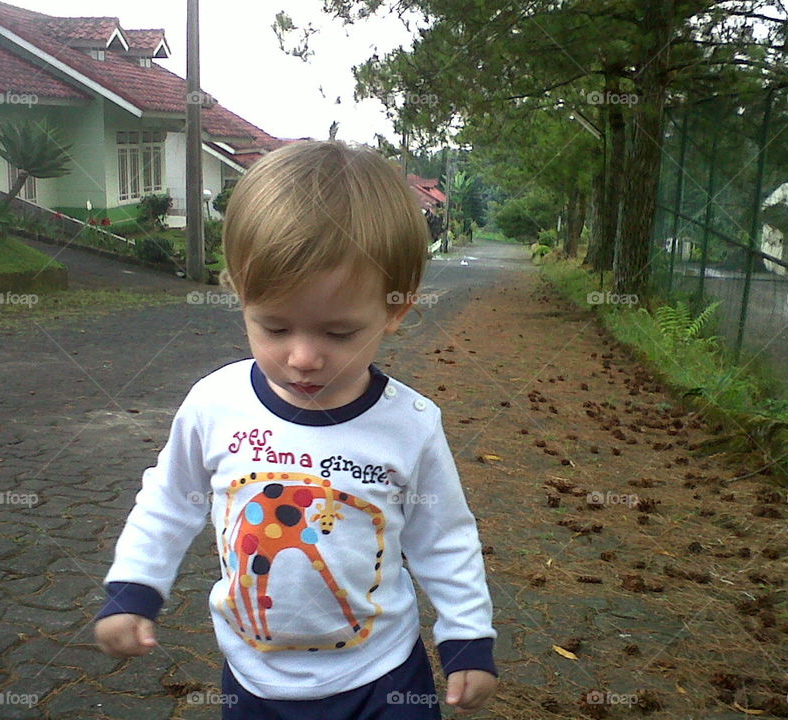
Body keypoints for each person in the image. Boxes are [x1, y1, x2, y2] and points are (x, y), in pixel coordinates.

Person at [94, 140, 498, 719]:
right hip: (253, 677)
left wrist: (467, 638)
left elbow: (445, 538)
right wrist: (134, 588)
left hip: (382, 676)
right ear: (236, 290)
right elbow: (167, 501)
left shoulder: (410, 425)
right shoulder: (215, 404)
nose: (303, 358)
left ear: (395, 310)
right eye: (275, 326)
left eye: (338, 333)